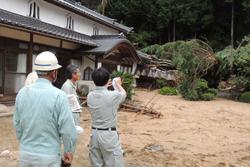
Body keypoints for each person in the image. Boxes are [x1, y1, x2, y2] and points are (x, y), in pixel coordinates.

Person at [13, 51, 77, 167]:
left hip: (26, 154)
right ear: (54, 72)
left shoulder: (22, 93)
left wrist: (26, 142)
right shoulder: (59, 95)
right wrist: (69, 150)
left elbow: (17, 124)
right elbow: (67, 129)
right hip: (49, 156)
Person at [87, 67, 126, 167]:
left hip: (94, 135)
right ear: (107, 80)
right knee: (114, 163)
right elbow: (123, 94)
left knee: (96, 163)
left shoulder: (90, 96)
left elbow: (101, 93)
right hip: (108, 135)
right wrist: (117, 84)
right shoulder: (113, 96)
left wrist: (104, 86)